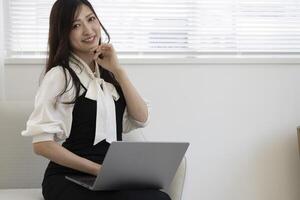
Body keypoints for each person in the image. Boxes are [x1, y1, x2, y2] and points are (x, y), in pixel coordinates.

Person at [21, 0, 171, 200]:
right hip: (67, 177)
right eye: (76, 25)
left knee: (158, 198)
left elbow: (141, 118)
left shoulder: (109, 75)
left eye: (91, 19)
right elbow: (41, 144)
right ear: (63, 33)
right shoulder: (60, 76)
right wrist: (98, 170)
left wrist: (118, 71)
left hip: (108, 176)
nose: (88, 30)